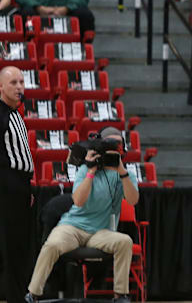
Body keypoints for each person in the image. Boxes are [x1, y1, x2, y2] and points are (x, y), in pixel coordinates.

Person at [26, 127, 139, 303]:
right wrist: (91, 171)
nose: (111, 151)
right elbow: (78, 201)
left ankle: (120, 296)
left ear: (123, 151)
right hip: (73, 227)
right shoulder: (85, 170)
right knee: (52, 244)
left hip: (101, 232)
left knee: (125, 241)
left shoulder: (126, 175)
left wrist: (122, 171)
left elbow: (132, 201)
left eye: (116, 147)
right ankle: (33, 294)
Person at [0, 67, 33, 303]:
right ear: (1, 87)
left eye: (22, 81)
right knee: (10, 248)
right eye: (13, 82)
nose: (19, 86)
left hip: (21, 187)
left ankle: (20, 296)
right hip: (6, 186)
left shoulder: (16, 113)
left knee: (20, 246)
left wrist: (28, 187)